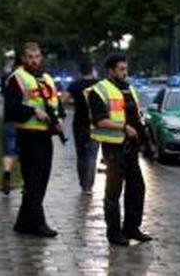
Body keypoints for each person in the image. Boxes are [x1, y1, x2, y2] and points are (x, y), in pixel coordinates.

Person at [86, 53, 151, 246]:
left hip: (131, 149)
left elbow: (136, 116)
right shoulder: (99, 90)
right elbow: (99, 120)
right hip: (113, 148)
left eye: (126, 69)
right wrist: (123, 127)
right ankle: (114, 234)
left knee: (137, 188)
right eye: (121, 69)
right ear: (111, 70)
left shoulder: (129, 88)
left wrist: (146, 138)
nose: (125, 73)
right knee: (113, 192)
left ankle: (131, 228)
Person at [5, 42, 65, 237]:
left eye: (37, 56)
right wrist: (33, 111)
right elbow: (11, 110)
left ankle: (23, 223)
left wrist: (60, 118)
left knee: (41, 179)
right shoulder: (17, 79)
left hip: (45, 135)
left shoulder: (46, 78)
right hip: (28, 134)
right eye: (30, 57)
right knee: (33, 181)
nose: (34, 60)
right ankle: (38, 224)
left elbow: (55, 102)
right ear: (23, 59)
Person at [63, 61, 98, 194]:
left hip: (79, 124)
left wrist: (74, 101)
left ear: (80, 71)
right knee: (92, 155)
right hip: (95, 124)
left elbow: (64, 100)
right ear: (92, 70)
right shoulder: (98, 84)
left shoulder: (75, 85)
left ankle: (83, 183)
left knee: (81, 155)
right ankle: (89, 187)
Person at [0, 53, 20, 195]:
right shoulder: (26, 79)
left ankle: (7, 171)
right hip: (23, 120)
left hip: (8, 118)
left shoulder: (5, 78)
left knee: (8, 150)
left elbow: (3, 93)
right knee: (21, 150)